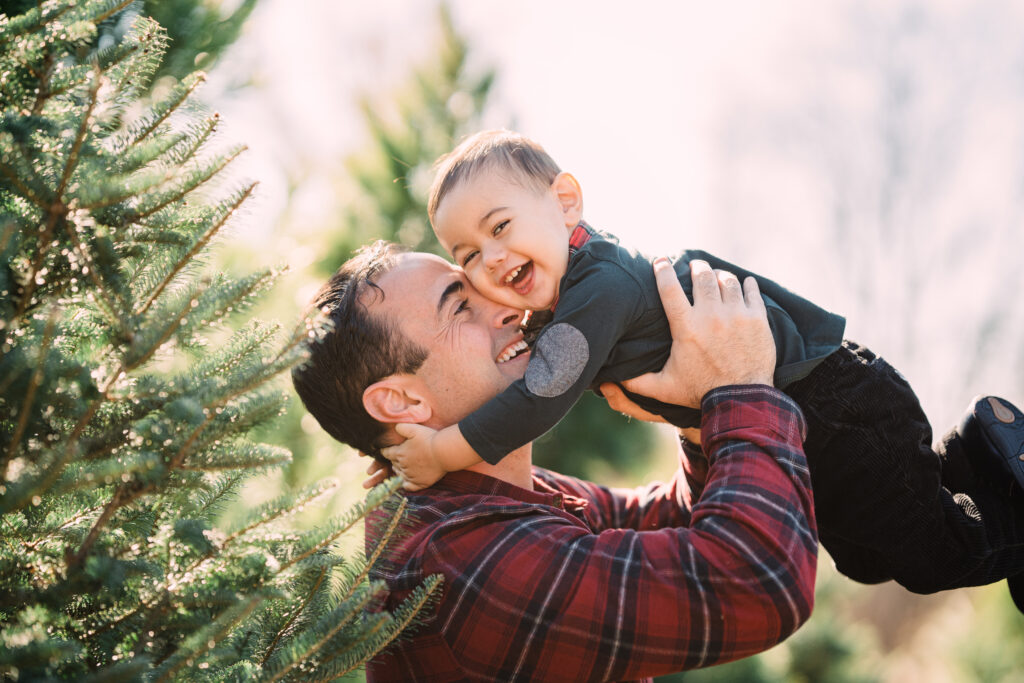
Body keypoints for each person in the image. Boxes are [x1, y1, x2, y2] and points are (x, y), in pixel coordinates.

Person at [386, 129, 1024, 604]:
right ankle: (988, 450)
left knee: (932, 555)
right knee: (863, 555)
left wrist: (444, 450)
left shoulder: (600, 288)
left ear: (566, 203)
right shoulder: (568, 300)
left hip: (832, 405)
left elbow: (542, 390)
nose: (490, 259)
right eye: (466, 255)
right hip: (811, 423)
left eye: (500, 227)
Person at [292, 244, 819, 681]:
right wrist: (742, 386)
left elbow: (663, 523)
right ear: (402, 404)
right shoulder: (461, 557)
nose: (507, 305)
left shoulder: (478, 491)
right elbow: (756, 584)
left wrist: (696, 417)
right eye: (459, 307)